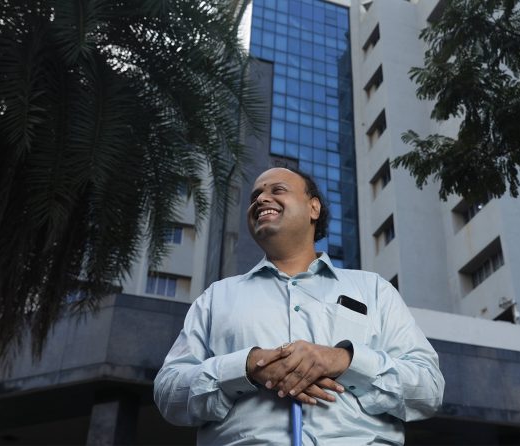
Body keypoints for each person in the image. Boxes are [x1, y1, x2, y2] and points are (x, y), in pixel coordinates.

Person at [154, 167, 444, 445]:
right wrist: (247, 367)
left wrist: (343, 361)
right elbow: (169, 392)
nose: (261, 199)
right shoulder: (215, 298)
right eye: (255, 196)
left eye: (277, 190)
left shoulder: (375, 289)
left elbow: (428, 390)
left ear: (313, 208)